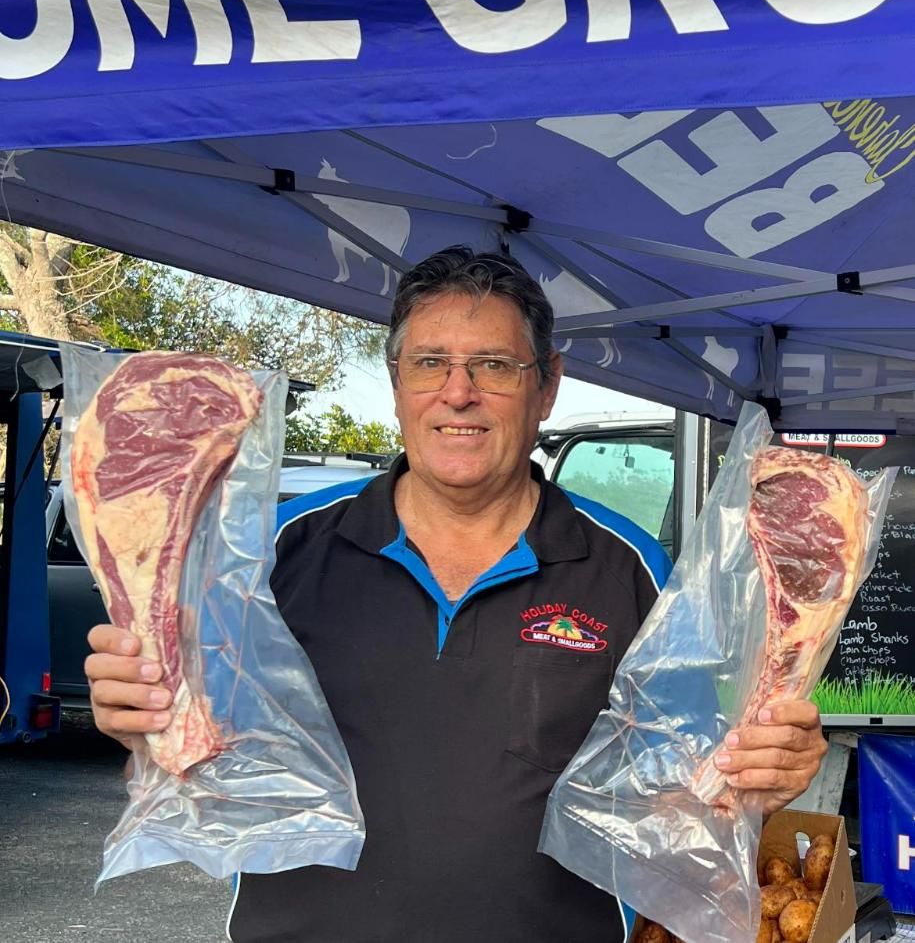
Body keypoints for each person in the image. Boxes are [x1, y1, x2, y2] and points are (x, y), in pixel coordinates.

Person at [86, 247, 827, 943]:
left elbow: (690, 780)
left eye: (493, 365)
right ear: (397, 381)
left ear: (546, 386)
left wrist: (767, 765)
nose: (457, 392)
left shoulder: (629, 566)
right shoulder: (280, 551)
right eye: (429, 362)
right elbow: (193, 754)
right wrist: (140, 717)